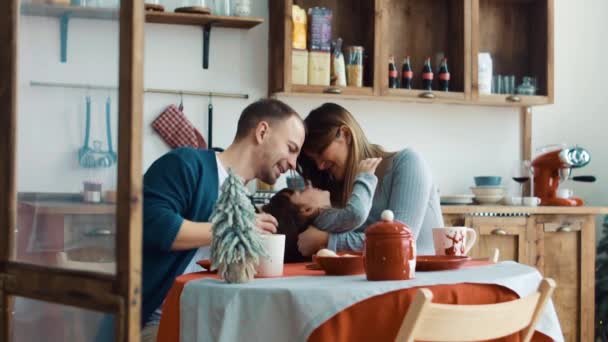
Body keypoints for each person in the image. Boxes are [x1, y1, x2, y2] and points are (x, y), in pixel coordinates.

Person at [140, 99, 305, 341]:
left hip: (215, 324)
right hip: (163, 324)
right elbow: (152, 225)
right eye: (291, 148)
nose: (293, 164)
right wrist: (234, 229)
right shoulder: (186, 164)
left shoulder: (246, 205)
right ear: (262, 132)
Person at [295, 102, 443, 257]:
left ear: (345, 135)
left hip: (423, 276)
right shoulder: (336, 184)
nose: (319, 166)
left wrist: (327, 240)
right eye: (313, 159)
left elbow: (400, 243)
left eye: (321, 151)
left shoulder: (408, 163)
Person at [261, 158, 381, 262]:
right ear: (307, 210)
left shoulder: (322, 223)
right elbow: (355, 214)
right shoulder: (322, 218)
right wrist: (365, 176)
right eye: (301, 191)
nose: (308, 184)